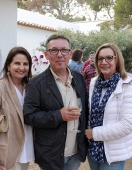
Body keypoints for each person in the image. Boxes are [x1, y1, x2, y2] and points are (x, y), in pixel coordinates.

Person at [23, 34, 88, 170]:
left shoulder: (79, 79)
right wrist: (59, 115)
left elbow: (85, 110)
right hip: (50, 155)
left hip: (75, 152)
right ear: (47, 54)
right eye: (54, 50)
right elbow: (29, 116)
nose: (59, 55)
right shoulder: (36, 84)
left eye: (64, 50)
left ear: (70, 54)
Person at [85, 43, 132, 170]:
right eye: (100, 58)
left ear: (117, 60)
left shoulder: (128, 86)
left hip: (114, 152)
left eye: (109, 58)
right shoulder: (95, 83)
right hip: (93, 148)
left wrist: (94, 133)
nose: (104, 62)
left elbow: (127, 125)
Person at [0, 47, 35, 170]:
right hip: (6, 151)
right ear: (8, 66)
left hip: (27, 147)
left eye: (25, 64)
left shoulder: (30, 87)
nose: (22, 67)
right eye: (17, 63)